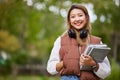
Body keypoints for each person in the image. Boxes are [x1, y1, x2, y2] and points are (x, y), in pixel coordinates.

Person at [47, 4, 111, 80]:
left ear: (86, 18)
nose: (77, 19)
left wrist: (93, 64)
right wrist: (64, 63)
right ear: (69, 21)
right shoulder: (60, 40)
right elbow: (50, 68)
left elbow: (107, 71)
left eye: (80, 15)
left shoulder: (96, 41)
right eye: (73, 17)